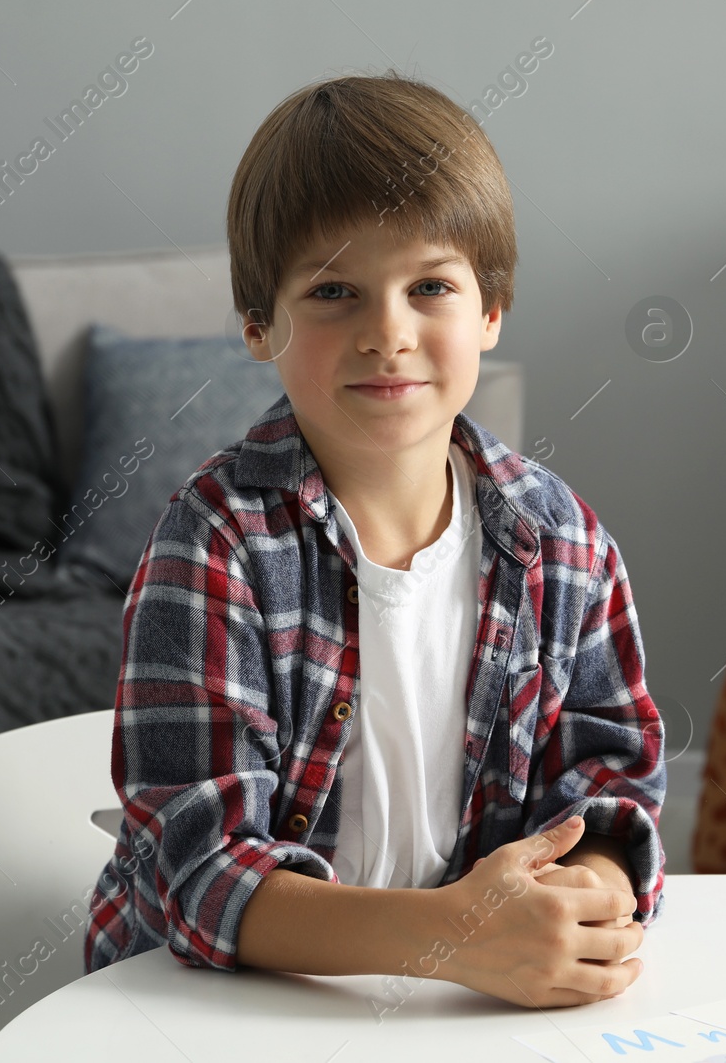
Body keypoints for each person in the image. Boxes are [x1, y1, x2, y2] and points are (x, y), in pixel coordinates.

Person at [83, 68, 666, 1009]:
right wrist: (456, 936)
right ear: (257, 323)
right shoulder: (213, 548)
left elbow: (609, 782)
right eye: (335, 292)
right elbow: (198, 875)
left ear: (490, 310)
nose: (386, 333)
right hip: (218, 1002)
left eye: (430, 285)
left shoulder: (564, 542)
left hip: (458, 1001)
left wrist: (585, 892)